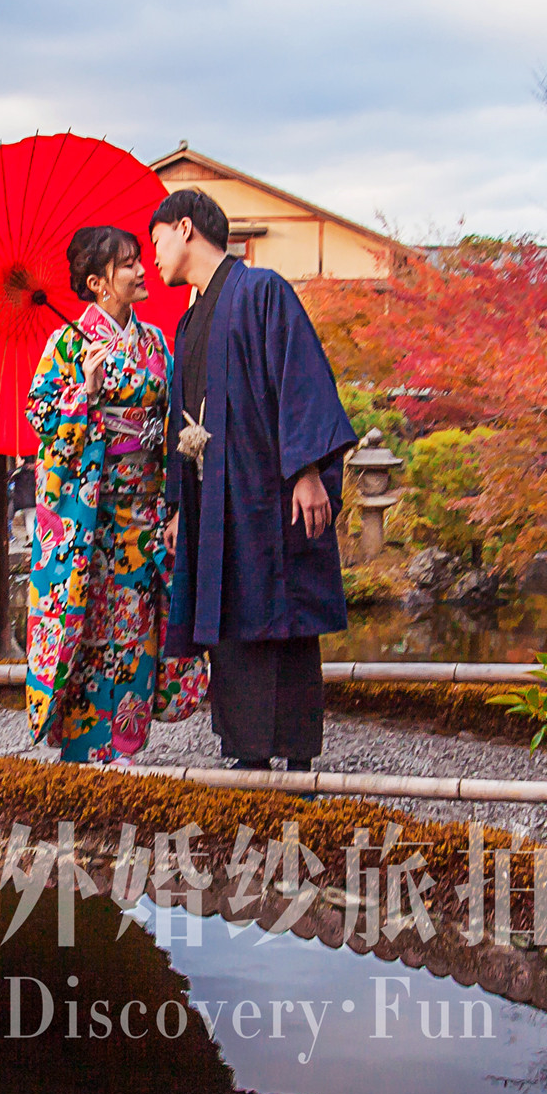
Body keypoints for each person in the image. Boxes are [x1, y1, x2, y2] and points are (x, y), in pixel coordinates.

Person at [151, 188, 354, 770]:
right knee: (230, 617)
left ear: (186, 227)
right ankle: (244, 748)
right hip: (213, 496)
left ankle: (291, 750)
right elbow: (183, 421)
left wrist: (309, 469)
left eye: (158, 237)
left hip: (266, 490)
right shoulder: (189, 323)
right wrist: (179, 507)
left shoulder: (262, 292)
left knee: (277, 612)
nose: (154, 253)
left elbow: (301, 379)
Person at [23, 224, 207, 763]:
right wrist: (87, 392)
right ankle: (87, 758)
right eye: (127, 264)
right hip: (94, 522)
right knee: (90, 634)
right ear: (97, 283)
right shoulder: (66, 344)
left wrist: (176, 494)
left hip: (146, 516)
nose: (140, 270)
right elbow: (40, 416)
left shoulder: (153, 342)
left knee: (136, 635)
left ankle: (125, 750)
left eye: (137, 259)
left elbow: (175, 418)